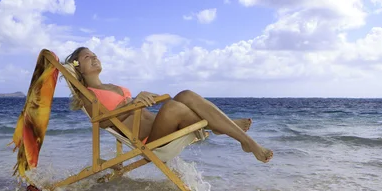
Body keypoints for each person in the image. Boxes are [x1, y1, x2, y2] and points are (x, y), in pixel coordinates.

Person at [63, 47, 273, 163]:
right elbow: (102, 122)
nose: (94, 58)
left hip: (159, 128)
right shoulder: (88, 96)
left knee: (186, 94)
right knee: (174, 107)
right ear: (78, 68)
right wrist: (133, 103)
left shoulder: (114, 86)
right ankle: (226, 130)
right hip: (147, 139)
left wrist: (139, 101)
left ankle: (228, 131)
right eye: (87, 57)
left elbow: (131, 108)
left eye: (95, 55)